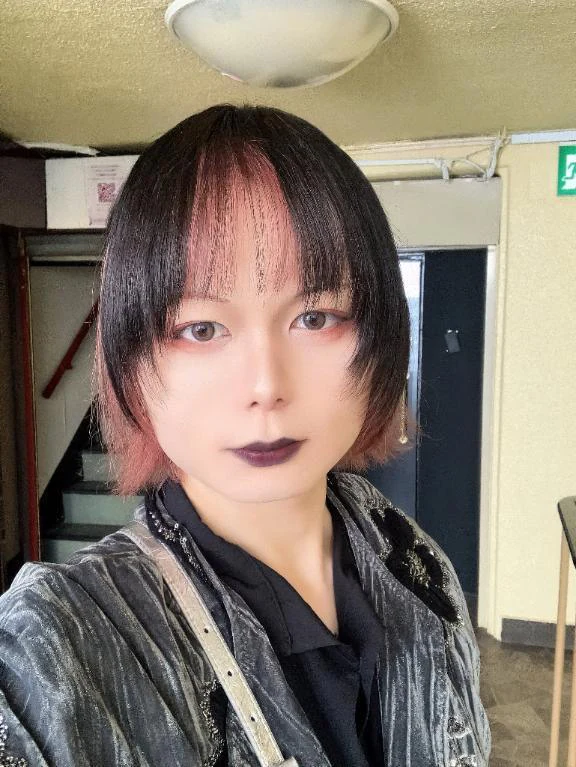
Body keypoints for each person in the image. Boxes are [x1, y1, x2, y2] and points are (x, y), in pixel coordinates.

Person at [0, 104, 491, 766]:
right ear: (129, 362)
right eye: (201, 329)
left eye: (315, 317)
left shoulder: (412, 557)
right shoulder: (62, 642)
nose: (265, 384)